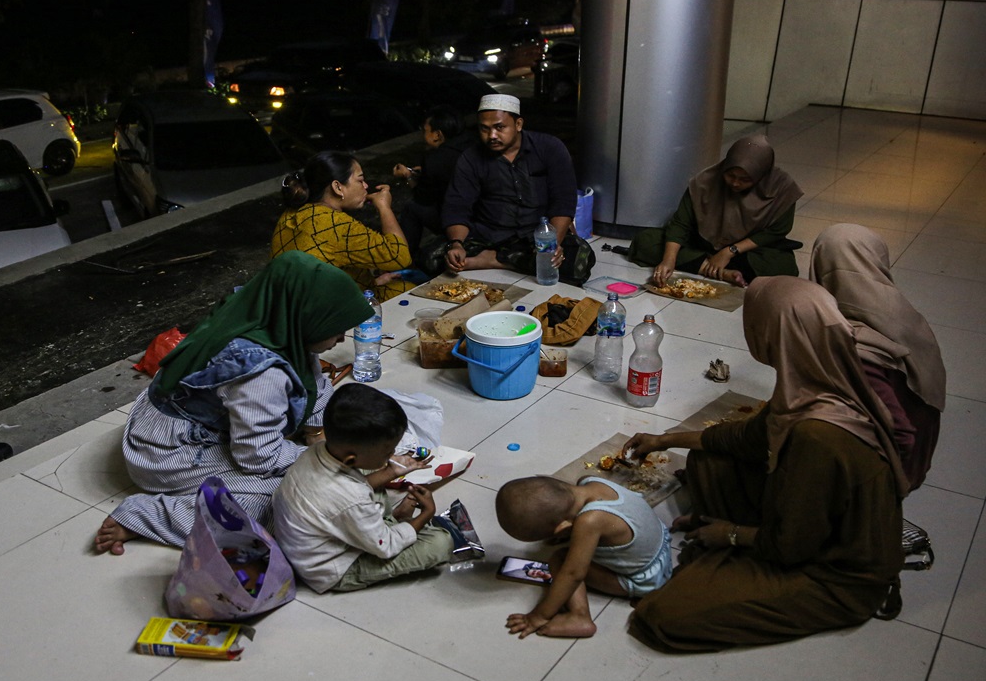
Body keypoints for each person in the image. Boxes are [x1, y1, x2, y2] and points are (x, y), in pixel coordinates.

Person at [625, 277, 906, 652]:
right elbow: (742, 439)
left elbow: (793, 546)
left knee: (663, 616)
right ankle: (725, 554)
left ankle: (725, 560)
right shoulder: (819, 378)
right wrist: (665, 439)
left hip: (835, 571)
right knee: (708, 458)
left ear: (772, 336)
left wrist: (729, 533)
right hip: (800, 519)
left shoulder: (818, 436)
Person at [94, 252, 372, 555]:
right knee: (283, 502)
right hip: (167, 452)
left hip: (172, 419)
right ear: (309, 318)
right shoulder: (260, 372)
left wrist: (319, 433)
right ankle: (144, 516)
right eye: (336, 328)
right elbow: (258, 458)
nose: (343, 338)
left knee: (318, 462)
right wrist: (324, 457)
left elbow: (313, 382)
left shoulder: (270, 315)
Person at [272, 383, 456, 593]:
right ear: (351, 459)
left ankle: (389, 522)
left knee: (369, 472)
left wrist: (391, 471)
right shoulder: (352, 498)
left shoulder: (314, 451)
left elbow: (347, 495)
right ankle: (394, 522)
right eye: (387, 451)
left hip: (318, 530)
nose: (393, 453)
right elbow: (385, 546)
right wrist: (426, 514)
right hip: (331, 569)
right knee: (440, 543)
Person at [811, 223, 945, 491]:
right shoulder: (900, 312)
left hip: (885, 476)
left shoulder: (858, 350)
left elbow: (900, 435)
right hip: (920, 455)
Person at [495, 475, 672, 639]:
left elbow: (574, 574)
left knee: (562, 559)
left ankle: (579, 617)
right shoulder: (590, 481)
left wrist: (539, 616)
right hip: (660, 547)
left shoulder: (589, 522)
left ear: (563, 528)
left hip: (645, 579)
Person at [628, 134, 804, 287]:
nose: (735, 183)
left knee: (784, 267)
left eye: (745, 179)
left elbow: (776, 232)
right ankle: (716, 270)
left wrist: (729, 252)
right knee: (646, 242)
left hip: (746, 250)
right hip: (702, 242)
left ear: (761, 175)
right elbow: (681, 224)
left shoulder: (782, 189)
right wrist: (669, 259)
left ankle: (705, 263)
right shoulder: (705, 182)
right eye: (730, 175)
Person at [439, 93, 580, 279]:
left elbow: (563, 201)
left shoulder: (549, 148)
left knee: (577, 264)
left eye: (499, 127)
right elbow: (457, 206)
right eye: (484, 129)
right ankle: (510, 261)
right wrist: (456, 244)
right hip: (488, 235)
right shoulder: (470, 158)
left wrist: (551, 245)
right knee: (433, 258)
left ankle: (492, 261)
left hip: (536, 235)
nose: (492, 136)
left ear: (518, 124)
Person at [272, 150, 414, 300]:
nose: (365, 186)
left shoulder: (292, 213)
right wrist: (384, 207)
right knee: (406, 290)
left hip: (289, 306)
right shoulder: (334, 223)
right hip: (323, 315)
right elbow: (400, 257)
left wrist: (373, 282)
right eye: (360, 180)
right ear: (338, 187)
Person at [391, 105, 476, 252]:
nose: (423, 135)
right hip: (484, 214)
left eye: (425, 131)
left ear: (437, 135)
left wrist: (408, 176)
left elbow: (422, 198)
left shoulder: (435, 159)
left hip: (461, 223)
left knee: (412, 207)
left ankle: (406, 256)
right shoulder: (473, 143)